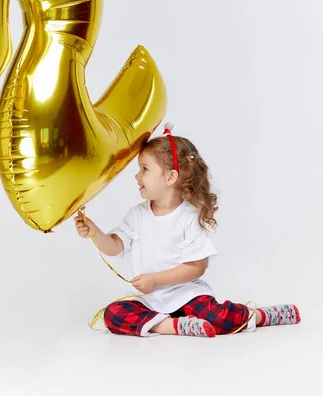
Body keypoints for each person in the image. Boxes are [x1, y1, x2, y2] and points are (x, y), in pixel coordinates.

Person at [75, 124, 301, 338]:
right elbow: (114, 247)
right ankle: (173, 325)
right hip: (150, 301)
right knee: (113, 313)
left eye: (144, 169)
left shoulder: (187, 218)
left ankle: (260, 316)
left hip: (186, 296)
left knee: (217, 317)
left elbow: (197, 267)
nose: (137, 176)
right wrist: (95, 232)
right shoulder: (136, 215)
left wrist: (155, 279)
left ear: (170, 177)